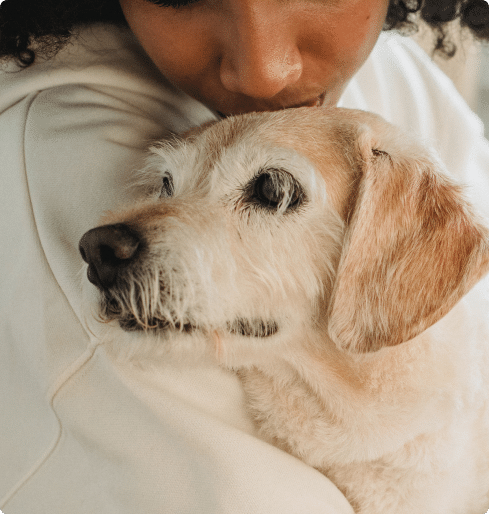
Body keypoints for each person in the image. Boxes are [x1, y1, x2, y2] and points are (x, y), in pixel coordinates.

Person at [1, 1, 489, 513]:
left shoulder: (398, 67)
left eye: (272, 192)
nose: (262, 73)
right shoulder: (61, 157)